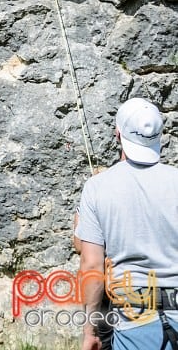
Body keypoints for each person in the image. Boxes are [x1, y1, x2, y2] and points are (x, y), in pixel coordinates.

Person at [76, 98, 178, 350]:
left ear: (117, 133)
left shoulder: (98, 188)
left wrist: (90, 330)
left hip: (133, 319)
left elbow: (91, 264)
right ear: (158, 136)